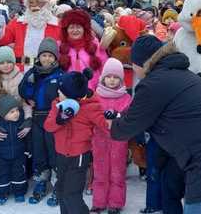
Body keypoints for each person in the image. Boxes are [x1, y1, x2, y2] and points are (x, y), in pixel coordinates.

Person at [110, 35, 201, 213]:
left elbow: (126, 127)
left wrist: (109, 123)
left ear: (141, 63)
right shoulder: (178, 73)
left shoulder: (154, 83)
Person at [44, 70, 109, 214]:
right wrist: (59, 120)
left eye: (61, 92)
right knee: (61, 190)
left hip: (78, 156)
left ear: (72, 96)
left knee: (71, 194)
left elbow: (105, 125)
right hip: (61, 155)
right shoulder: (57, 104)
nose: (58, 94)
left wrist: (113, 118)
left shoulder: (90, 107)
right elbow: (48, 126)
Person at [19, 37, 64, 204]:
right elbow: (23, 91)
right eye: (44, 55)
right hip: (38, 117)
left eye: (50, 56)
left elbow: (66, 93)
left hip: (53, 119)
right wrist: (29, 90)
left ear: (55, 58)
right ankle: (41, 181)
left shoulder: (60, 74)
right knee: (39, 151)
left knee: (54, 152)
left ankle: (58, 184)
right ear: (39, 57)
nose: (47, 59)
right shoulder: (32, 73)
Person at [91, 58, 132, 214]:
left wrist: (118, 115)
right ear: (103, 78)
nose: (112, 80)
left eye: (116, 77)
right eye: (109, 77)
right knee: (100, 171)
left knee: (117, 171)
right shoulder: (96, 96)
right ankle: (99, 202)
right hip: (99, 139)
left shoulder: (126, 98)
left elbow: (130, 118)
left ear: (121, 79)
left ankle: (115, 203)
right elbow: (91, 115)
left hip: (118, 140)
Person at [0, 0, 60, 70]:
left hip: (49, 70)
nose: (34, 5)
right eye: (31, 2)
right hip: (22, 69)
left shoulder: (56, 24)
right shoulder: (18, 23)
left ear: (46, 4)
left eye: (39, 2)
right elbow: (1, 40)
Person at [0, 94, 28, 205]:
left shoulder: (20, 124)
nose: (16, 113)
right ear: (3, 114)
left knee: (19, 174)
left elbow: (25, 139)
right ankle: (1, 194)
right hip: (1, 157)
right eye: (12, 112)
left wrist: (28, 150)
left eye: (17, 110)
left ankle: (19, 193)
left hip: (18, 156)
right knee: (1, 176)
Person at [59, 9, 108, 90]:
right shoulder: (60, 46)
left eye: (78, 27)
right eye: (71, 27)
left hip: (92, 91)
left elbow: (104, 67)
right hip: (68, 91)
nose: (75, 30)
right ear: (66, 29)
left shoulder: (94, 44)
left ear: (84, 29)